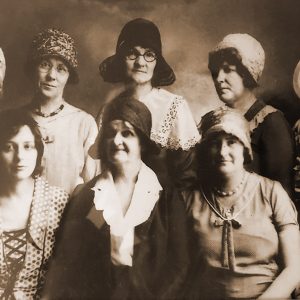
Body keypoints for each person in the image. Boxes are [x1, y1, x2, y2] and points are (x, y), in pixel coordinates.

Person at [44, 96, 189, 299]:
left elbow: (180, 264)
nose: (117, 141)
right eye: (111, 134)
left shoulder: (165, 195)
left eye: (127, 134)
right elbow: (69, 265)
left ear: (142, 143)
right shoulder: (86, 198)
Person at [183, 106, 300, 299]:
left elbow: (294, 268)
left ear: (245, 149)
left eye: (231, 142)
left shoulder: (271, 192)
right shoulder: (188, 198)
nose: (222, 151)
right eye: (214, 143)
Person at [96, 18, 200, 188]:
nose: (140, 62)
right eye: (132, 53)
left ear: (157, 61)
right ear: (121, 58)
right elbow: (98, 169)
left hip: (162, 208)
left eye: (149, 54)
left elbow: (187, 175)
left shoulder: (174, 107)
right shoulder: (108, 109)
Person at [208, 33, 295, 197]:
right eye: (215, 71)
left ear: (247, 74)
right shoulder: (210, 120)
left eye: (228, 70)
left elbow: (281, 196)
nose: (219, 78)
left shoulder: (271, 123)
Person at [0, 109, 69, 299]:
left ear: (38, 150)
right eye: (8, 147)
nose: (19, 157)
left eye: (28, 146)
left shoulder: (58, 201)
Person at [23, 28, 98, 194]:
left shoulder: (84, 123)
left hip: (68, 216)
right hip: (19, 216)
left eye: (61, 68)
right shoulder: (15, 120)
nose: (51, 75)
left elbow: (92, 187)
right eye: (44, 65)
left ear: (68, 76)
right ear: (33, 69)